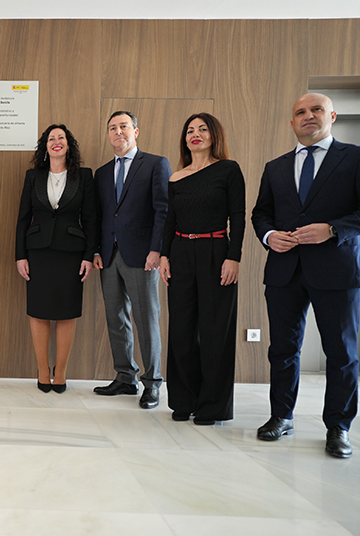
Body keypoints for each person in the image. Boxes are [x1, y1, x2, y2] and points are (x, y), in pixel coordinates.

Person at [251, 93, 360, 458]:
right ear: (292, 122)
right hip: (284, 271)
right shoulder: (276, 167)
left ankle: (338, 427)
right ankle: (281, 416)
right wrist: (269, 235)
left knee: (341, 353)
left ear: (332, 116)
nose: (308, 116)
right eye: (300, 112)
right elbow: (260, 214)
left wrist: (332, 229)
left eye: (316, 110)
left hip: (337, 271)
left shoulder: (359, 157)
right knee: (282, 350)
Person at [158, 113, 244, 424]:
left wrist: (233, 257)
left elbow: (238, 215)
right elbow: (170, 220)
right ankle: (183, 401)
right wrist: (164, 255)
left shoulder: (228, 170)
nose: (195, 134)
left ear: (214, 135)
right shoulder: (176, 177)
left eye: (203, 129)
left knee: (214, 330)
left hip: (216, 251)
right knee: (181, 330)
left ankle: (212, 407)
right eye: (190, 130)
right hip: (180, 252)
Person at [91, 111, 171, 408]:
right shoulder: (101, 173)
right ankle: (126, 377)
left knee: (146, 319)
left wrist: (157, 249)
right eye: (112, 128)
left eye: (123, 126)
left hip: (143, 256)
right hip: (109, 256)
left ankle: (153, 383)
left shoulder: (155, 164)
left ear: (135, 131)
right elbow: (99, 215)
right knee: (116, 319)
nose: (118, 132)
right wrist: (96, 250)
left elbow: (163, 210)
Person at [15, 124, 98, 393]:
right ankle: (42, 370)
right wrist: (20, 255)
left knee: (66, 313)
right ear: (45, 146)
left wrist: (89, 255)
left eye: (61, 137)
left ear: (68, 145)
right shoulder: (33, 176)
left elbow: (91, 219)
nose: (56, 142)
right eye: (51, 138)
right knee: (38, 311)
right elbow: (23, 218)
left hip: (71, 253)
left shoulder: (84, 176)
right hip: (38, 252)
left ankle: (60, 372)